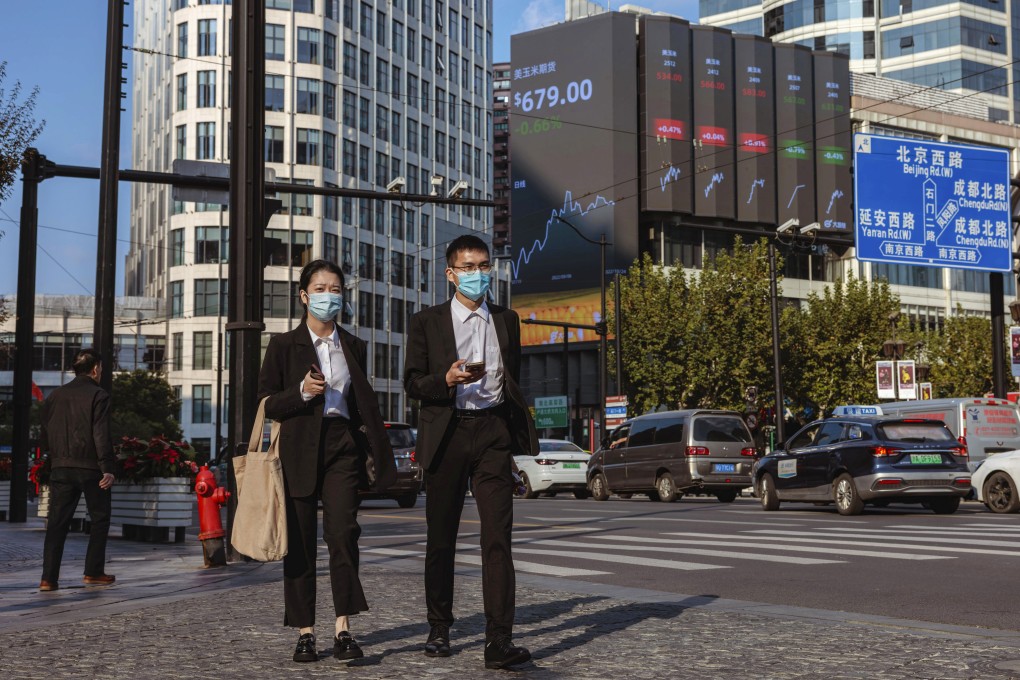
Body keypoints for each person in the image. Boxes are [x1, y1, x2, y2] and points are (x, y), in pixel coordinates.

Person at [403, 234, 539, 670]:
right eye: (467, 267)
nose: (477, 274)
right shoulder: (427, 322)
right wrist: (444, 379)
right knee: (441, 538)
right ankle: (439, 627)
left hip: (493, 434)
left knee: (498, 538)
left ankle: (499, 640)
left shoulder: (507, 319)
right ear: (450, 274)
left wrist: (513, 438)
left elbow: (512, 377)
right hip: (448, 434)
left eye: (483, 266)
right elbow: (412, 384)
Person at [257, 259, 396, 663]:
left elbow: (357, 403)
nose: (328, 295)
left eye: (334, 288)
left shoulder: (353, 345)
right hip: (298, 444)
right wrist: (300, 391)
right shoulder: (284, 345)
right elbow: (265, 403)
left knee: (342, 534)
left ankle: (343, 629)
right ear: (303, 296)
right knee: (300, 542)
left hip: (341, 446)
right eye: (319, 288)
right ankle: (304, 632)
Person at [39, 348, 116, 592]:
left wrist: (54, 460)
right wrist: (107, 468)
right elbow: (100, 434)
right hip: (90, 468)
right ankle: (93, 572)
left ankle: (48, 579)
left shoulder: (55, 396)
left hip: (61, 466)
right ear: (95, 369)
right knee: (100, 519)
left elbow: (46, 433)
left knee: (57, 523)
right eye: (101, 368)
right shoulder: (98, 395)